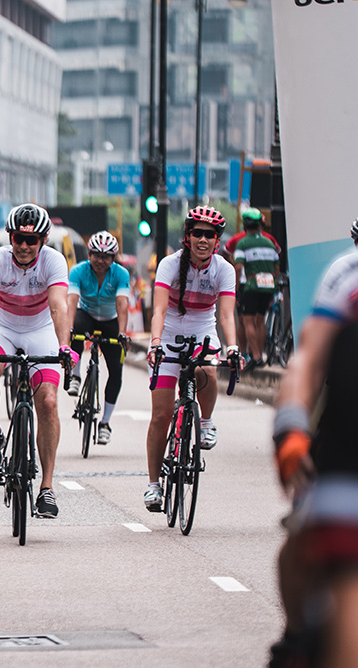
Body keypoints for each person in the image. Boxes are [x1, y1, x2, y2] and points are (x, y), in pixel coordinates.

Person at [269, 210, 358, 667]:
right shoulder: (354, 271)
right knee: (302, 543)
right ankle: (297, 642)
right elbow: (309, 356)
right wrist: (290, 428)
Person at [0, 204, 74, 519]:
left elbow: (58, 306)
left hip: (40, 328)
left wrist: (64, 346)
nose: (25, 246)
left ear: (43, 241)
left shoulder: (54, 261)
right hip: (3, 327)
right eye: (19, 238)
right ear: (10, 237)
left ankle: (46, 487)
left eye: (32, 241)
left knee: (47, 402)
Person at [144, 206, 240, 512]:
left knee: (208, 372)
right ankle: (154, 485)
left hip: (202, 328)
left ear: (217, 240)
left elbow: (226, 314)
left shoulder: (224, 269)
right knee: (160, 416)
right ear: (188, 236)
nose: (203, 239)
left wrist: (233, 347)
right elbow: (158, 310)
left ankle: (205, 421)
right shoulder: (169, 265)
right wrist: (156, 342)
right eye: (197, 233)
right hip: (170, 329)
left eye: (209, 234)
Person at [66, 230, 131, 445]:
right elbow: (72, 301)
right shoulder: (78, 271)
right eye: (96, 255)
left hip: (110, 321)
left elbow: (122, 304)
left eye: (106, 257)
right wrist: (68, 329)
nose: (100, 261)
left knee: (116, 371)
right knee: (77, 328)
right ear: (89, 254)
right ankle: (75, 375)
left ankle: (105, 422)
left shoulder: (120, 274)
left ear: (113, 258)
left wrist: (122, 333)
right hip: (88, 315)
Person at [222, 208, 281, 358]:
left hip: (250, 284)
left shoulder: (241, 242)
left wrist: (234, 288)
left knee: (246, 321)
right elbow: (277, 264)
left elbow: (237, 265)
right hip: (268, 285)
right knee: (260, 321)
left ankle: (254, 356)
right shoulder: (270, 241)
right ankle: (259, 353)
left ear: (244, 224)